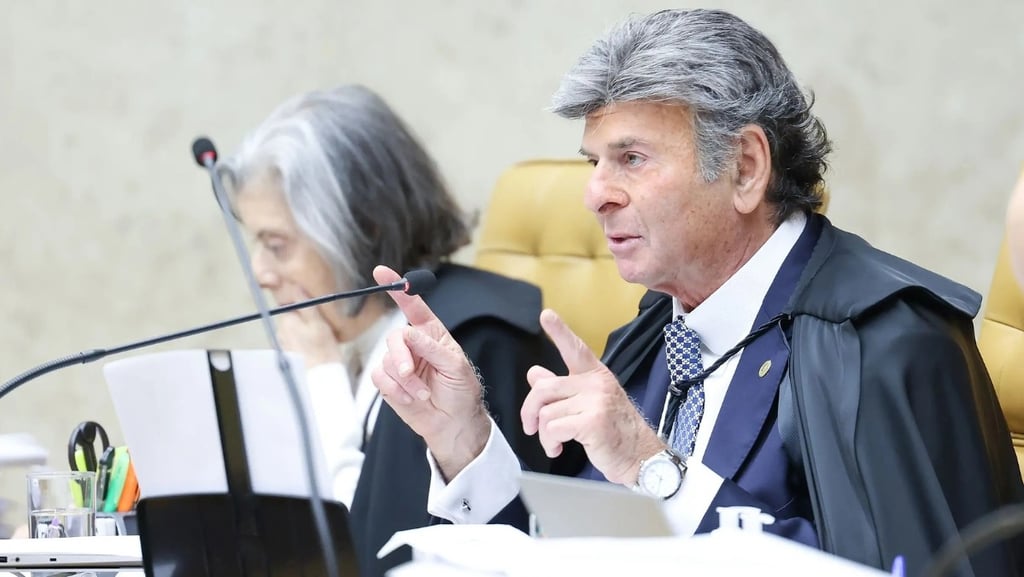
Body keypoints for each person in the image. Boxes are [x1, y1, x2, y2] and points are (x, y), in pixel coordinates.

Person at [370, 9, 1024, 577]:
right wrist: (466, 439)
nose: (595, 192)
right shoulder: (659, 327)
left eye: (631, 158)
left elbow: (909, 564)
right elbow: (565, 551)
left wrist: (656, 469)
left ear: (744, 168)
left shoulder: (887, 337)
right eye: (592, 160)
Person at [217, 85, 561, 577]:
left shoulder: (463, 343)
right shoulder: (362, 335)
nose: (261, 273)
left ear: (365, 228)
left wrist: (321, 376)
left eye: (277, 244)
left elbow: (369, 553)